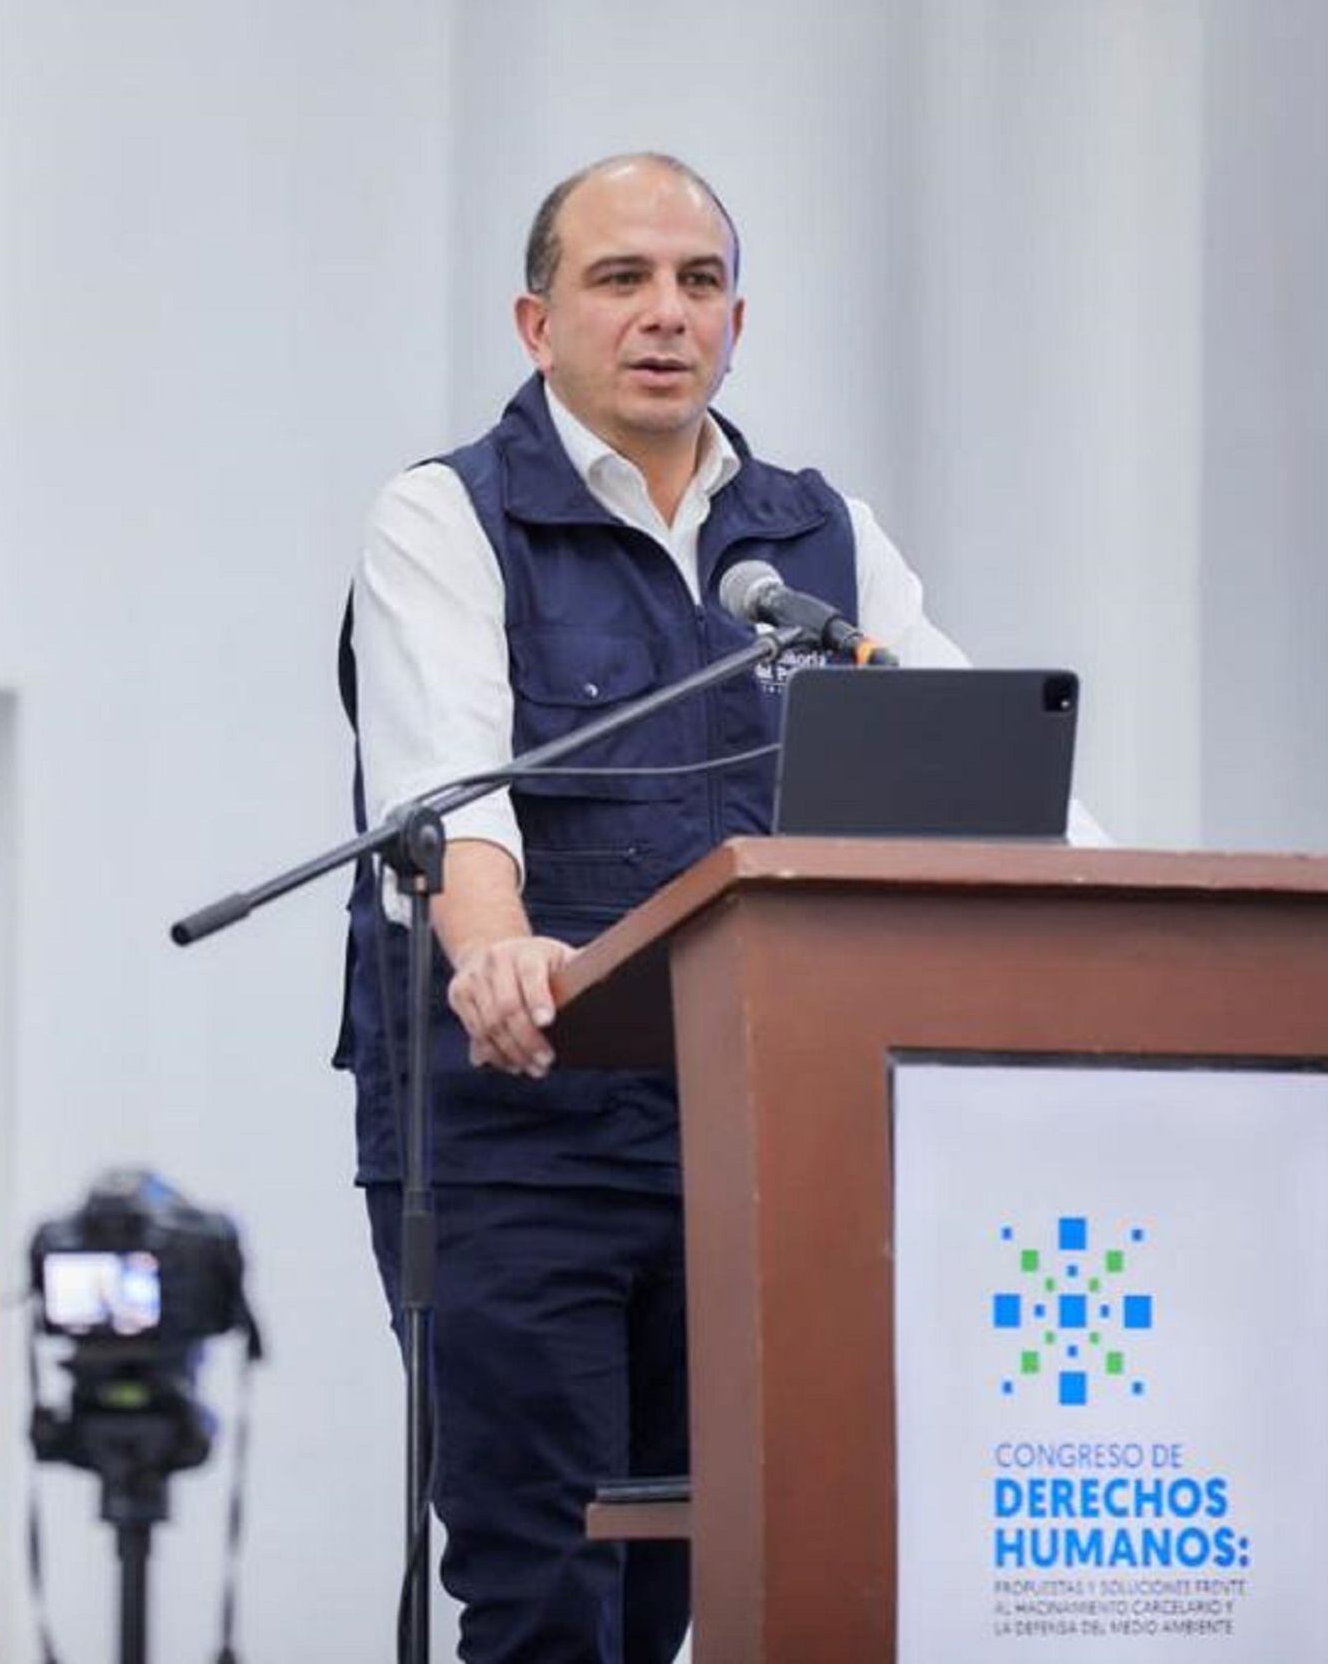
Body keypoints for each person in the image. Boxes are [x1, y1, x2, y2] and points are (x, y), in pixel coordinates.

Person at [337, 153, 967, 1662]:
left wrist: (1132, 903)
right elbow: (451, 789)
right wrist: (492, 948)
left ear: (738, 323)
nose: (663, 314)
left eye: (697, 284)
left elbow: (975, 765)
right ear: (535, 319)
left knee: (686, 1581)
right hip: (514, 1132)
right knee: (548, 1584)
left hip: (755, 1139)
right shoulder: (446, 518)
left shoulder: (826, 543)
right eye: (621, 280)